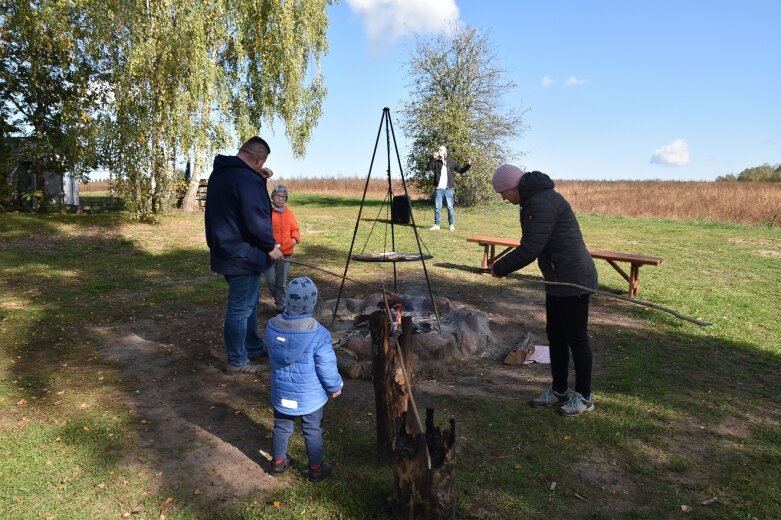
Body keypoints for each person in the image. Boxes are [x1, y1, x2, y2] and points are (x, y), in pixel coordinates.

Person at [490, 165, 598, 416]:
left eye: (504, 193)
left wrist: (500, 268)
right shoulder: (535, 199)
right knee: (556, 336)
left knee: (577, 339)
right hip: (558, 278)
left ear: (512, 187)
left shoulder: (540, 202)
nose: (504, 199)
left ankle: (584, 397)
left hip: (574, 280)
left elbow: (530, 248)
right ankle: (559, 390)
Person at [204, 136, 284, 375]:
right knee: (240, 307)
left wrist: (258, 179)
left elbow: (237, 203)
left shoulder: (223, 173)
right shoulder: (245, 178)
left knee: (250, 303)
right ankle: (237, 360)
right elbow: (256, 217)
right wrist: (270, 246)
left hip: (227, 249)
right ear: (258, 159)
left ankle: (252, 346)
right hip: (243, 254)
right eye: (261, 163)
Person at [265, 276, 343, 481]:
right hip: (310, 396)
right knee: (312, 429)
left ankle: (278, 463)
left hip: (282, 391)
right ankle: (316, 469)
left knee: (281, 426)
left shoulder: (272, 326)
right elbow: (326, 366)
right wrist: (335, 386)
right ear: (312, 303)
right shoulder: (319, 333)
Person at [263, 184, 301, 314]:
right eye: (278, 196)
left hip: (286, 253)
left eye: (283, 197)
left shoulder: (289, 214)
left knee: (281, 282)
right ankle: (278, 298)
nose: (280, 199)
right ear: (272, 197)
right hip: (269, 253)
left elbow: (295, 229)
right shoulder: (266, 211)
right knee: (271, 280)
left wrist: (294, 240)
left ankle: (281, 304)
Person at [426, 145, 471, 231]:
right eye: (438, 150)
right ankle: (437, 225)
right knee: (437, 207)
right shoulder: (436, 161)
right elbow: (428, 168)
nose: (438, 151)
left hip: (449, 188)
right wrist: (433, 158)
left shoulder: (451, 162)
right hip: (439, 188)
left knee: (450, 207)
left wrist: (468, 165)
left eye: (440, 150)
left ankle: (451, 224)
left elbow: (461, 171)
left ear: (445, 152)